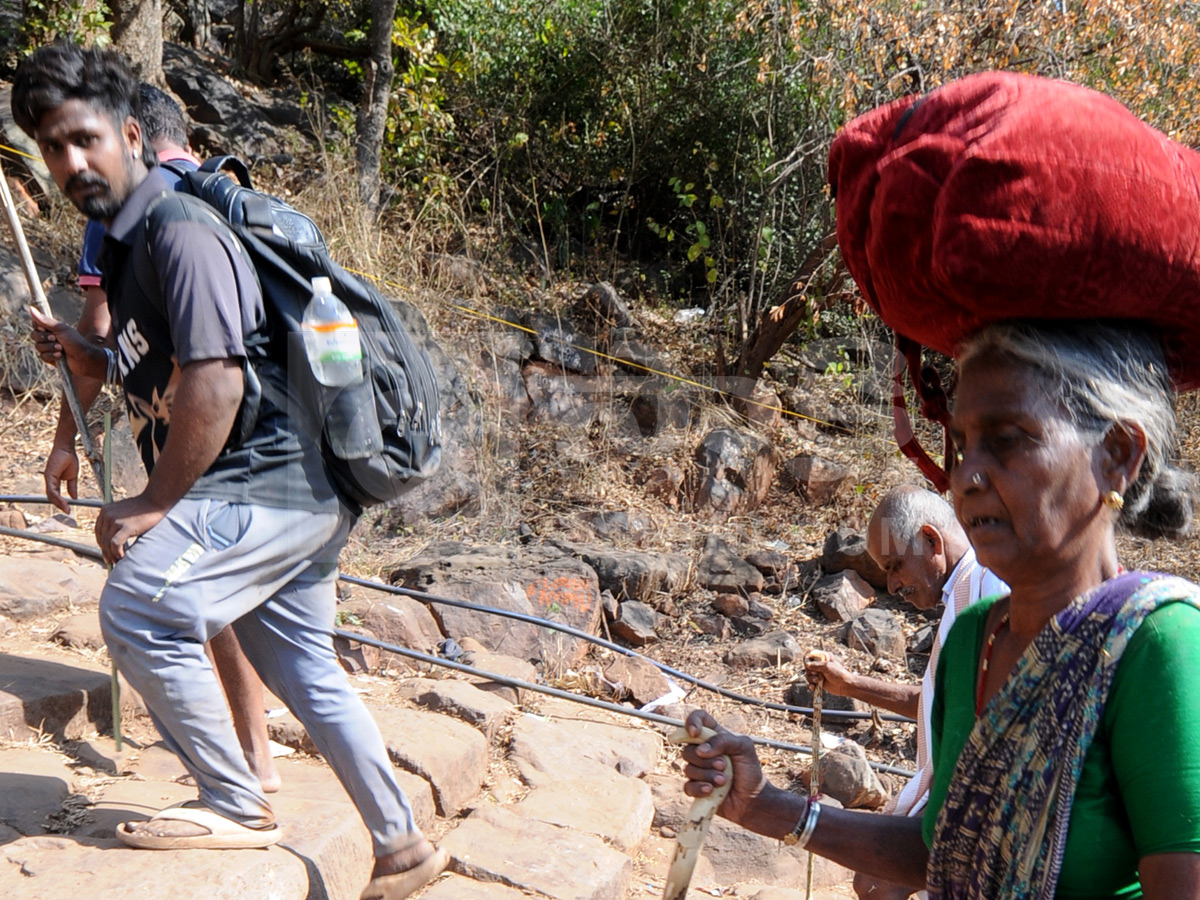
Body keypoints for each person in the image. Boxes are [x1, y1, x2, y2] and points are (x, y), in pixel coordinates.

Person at [14, 43, 447, 900]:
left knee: (140, 605)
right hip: (299, 490)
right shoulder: (137, 244)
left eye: (84, 140)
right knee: (301, 665)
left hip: (269, 481)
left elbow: (218, 377)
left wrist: (154, 499)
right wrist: (89, 352)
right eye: (52, 148)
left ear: (131, 133)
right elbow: (168, 363)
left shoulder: (178, 228)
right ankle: (402, 846)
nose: (70, 164)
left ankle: (235, 799)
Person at [682, 320, 1200, 898]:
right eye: (960, 446)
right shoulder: (974, 638)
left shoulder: (1158, 646)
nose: (967, 477)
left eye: (1007, 439)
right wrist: (765, 806)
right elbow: (942, 850)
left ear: (1117, 455)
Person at [36, 79, 281, 797]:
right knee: (249, 603)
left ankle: (242, 770)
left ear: (130, 138)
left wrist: (67, 442)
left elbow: (104, 336)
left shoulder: (124, 214)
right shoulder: (224, 188)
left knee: (183, 594)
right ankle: (261, 757)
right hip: (275, 442)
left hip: (188, 439)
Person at [803, 486, 1007, 900]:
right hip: (951, 791)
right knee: (871, 879)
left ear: (932, 540)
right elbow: (939, 705)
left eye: (896, 567)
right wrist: (849, 685)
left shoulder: (988, 587)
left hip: (976, 800)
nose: (894, 585)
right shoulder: (961, 595)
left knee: (879, 883)